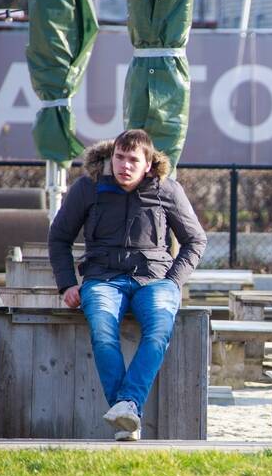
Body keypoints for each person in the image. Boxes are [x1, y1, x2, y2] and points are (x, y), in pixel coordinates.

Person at [49, 129, 206, 441]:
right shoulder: (88, 187)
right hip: (102, 279)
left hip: (155, 280)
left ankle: (127, 406)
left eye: (133, 160)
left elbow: (195, 240)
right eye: (119, 157)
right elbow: (59, 237)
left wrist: (174, 282)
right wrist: (67, 285)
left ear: (148, 164)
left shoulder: (167, 190)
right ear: (111, 157)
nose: (125, 165)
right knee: (103, 331)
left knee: (159, 330)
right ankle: (127, 413)